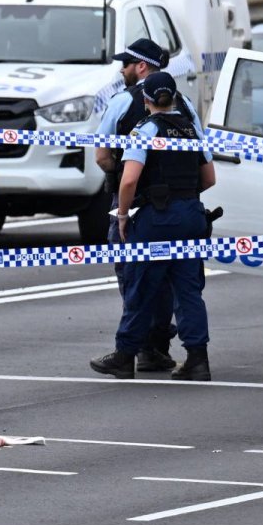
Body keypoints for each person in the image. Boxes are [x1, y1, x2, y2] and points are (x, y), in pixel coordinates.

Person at [90, 71, 217, 381]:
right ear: (174, 98)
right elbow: (209, 178)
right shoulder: (190, 130)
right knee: (188, 290)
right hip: (190, 215)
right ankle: (197, 359)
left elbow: (129, 179)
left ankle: (125, 356)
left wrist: (122, 215)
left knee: (141, 286)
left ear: (146, 100)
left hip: (157, 218)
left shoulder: (144, 131)